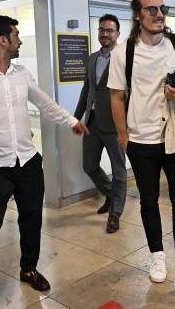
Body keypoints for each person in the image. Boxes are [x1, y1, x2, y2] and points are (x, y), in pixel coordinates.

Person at [0, 15, 88, 300]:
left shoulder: (22, 73)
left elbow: (44, 103)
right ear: (3, 40)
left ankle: (29, 269)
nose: (20, 39)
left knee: (31, 220)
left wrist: (71, 120)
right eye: (16, 34)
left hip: (27, 161)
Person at [108, 0, 175, 299]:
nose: (158, 14)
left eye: (162, 8)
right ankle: (156, 252)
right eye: (151, 9)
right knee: (148, 201)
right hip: (141, 141)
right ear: (137, 15)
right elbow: (116, 96)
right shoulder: (123, 52)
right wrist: (123, 137)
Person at [75, 14, 127, 233]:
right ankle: (110, 194)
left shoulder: (124, 59)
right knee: (90, 166)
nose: (105, 34)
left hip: (116, 124)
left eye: (110, 30)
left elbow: (131, 94)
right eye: (102, 30)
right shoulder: (92, 58)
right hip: (92, 122)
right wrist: (77, 116)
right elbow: (87, 89)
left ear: (117, 34)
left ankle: (115, 213)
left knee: (118, 170)